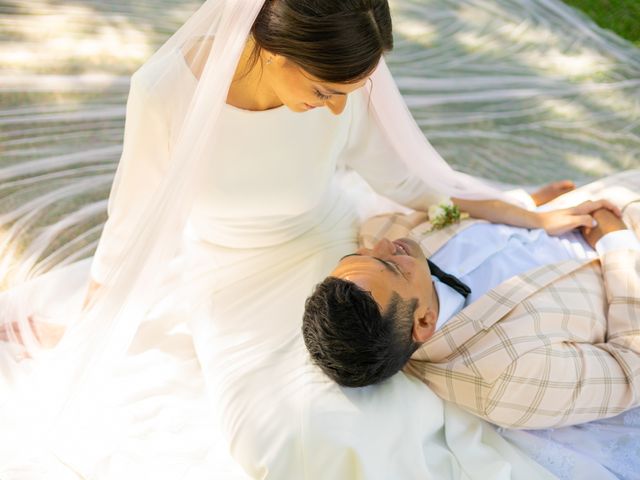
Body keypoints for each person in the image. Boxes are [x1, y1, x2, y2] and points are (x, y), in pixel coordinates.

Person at [0, 0, 632, 477]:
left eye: (349, 93)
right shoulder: (167, 94)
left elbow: (406, 175)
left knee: (390, 394)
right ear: (274, 55)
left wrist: (523, 212)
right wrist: (90, 330)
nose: (338, 109)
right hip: (235, 274)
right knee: (288, 436)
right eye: (324, 91)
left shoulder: (344, 70)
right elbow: (133, 227)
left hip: (341, 250)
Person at [303, 169, 640, 429]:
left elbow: (446, 204)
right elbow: (631, 366)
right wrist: (616, 241)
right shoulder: (510, 379)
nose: (385, 247)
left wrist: (527, 205)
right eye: (391, 265)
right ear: (423, 322)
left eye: (359, 255)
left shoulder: (382, 235)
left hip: (593, 202)